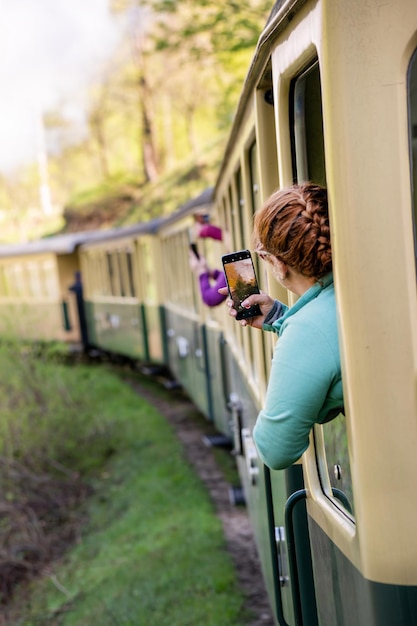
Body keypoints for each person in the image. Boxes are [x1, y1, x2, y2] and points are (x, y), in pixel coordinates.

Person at [218, 182, 344, 470]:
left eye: (263, 255)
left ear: (279, 264)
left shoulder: (307, 332)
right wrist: (279, 317)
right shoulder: (351, 293)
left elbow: (275, 450)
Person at [189, 220, 227, 307]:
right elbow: (225, 278)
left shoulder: (239, 263)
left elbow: (210, 298)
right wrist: (209, 271)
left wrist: (201, 271)